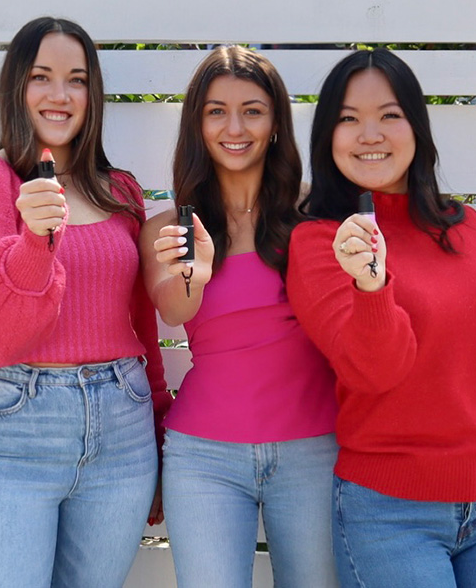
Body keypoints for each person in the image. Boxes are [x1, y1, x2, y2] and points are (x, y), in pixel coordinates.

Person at [287, 48, 476, 587]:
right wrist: (371, 284)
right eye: (348, 119)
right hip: (391, 515)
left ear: (417, 125)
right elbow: (374, 373)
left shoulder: (466, 224)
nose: (370, 134)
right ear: (327, 136)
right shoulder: (321, 242)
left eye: (390, 114)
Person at [0, 17, 171, 588]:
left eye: (77, 79)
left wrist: (161, 433)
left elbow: (144, 325)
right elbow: (0, 332)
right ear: (16, 87)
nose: (60, 95)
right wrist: (37, 241)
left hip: (123, 428)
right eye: (41, 77)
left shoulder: (121, 191)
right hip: (18, 426)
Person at [141, 46, 339, 588]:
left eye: (252, 110)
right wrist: (195, 274)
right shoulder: (166, 225)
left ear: (275, 121)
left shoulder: (315, 216)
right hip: (203, 459)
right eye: (216, 111)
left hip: (314, 452)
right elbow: (172, 306)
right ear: (196, 124)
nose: (235, 127)